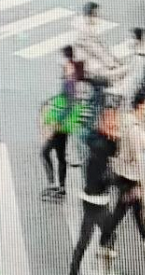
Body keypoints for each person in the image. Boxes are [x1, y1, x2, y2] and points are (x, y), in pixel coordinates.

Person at [100, 93, 145, 261]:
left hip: (122, 172)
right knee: (120, 213)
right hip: (129, 178)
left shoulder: (126, 120)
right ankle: (104, 243)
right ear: (139, 106)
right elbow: (139, 157)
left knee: (138, 211)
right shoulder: (134, 129)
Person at [68, 103, 120, 275]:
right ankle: (76, 270)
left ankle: (80, 268)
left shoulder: (101, 139)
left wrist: (114, 136)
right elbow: (100, 178)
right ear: (104, 120)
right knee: (87, 239)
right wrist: (114, 179)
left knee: (107, 234)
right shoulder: (99, 146)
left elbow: (113, 150)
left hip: (98, 199)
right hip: (93, 200)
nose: (114, 122)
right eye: (111, 119)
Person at [41, 45, 84, 200]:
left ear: (67, 59)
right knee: (59, 155)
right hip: (64, 124)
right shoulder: (68, 77)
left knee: (45, 152)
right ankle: (60, 187)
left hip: (61, 125)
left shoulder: (69, 80)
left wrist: (56, 122)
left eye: (62, 58)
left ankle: (55, 185)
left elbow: (70, 103)